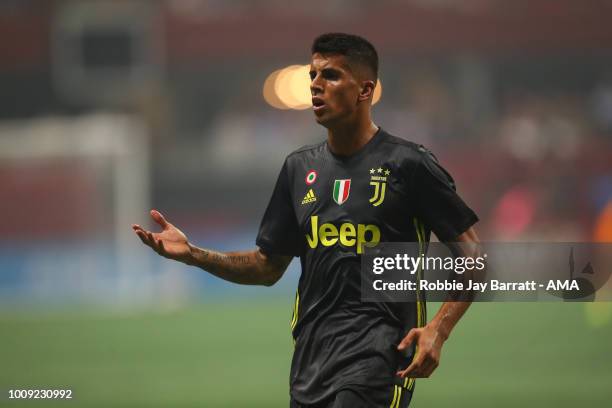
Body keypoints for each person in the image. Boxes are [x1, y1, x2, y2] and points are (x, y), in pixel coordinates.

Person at [132, 32, 480, 408]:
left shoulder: (409, 165)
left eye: (330, 76)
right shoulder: (299, 169)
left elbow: (473, 256)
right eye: (312, 75)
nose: (315, 85)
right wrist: (193, 254)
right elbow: (267, 267)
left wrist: (439, 330)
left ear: (365, 90)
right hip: (311, 364)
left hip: (380, 358)